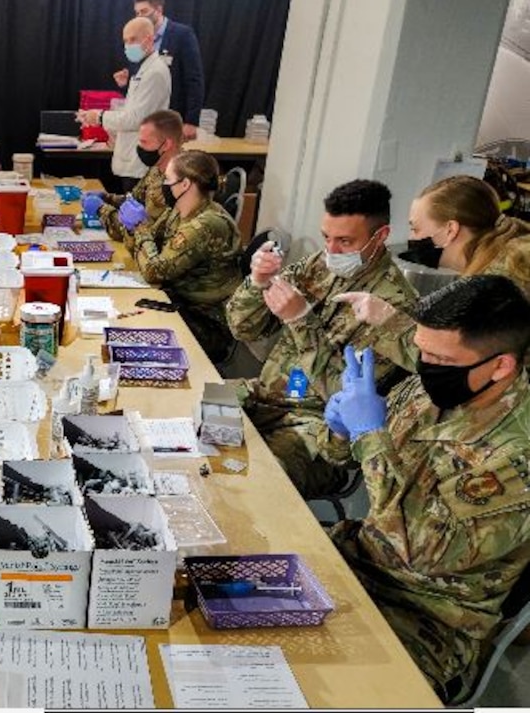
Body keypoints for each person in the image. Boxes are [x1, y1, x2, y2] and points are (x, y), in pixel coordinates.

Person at [322, 276, 530, 703]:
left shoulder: (517, 456)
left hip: (426, 617)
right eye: (421, 350)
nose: (424, 366)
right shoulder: (438, 384)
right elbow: (342, 460)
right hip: (360, 557)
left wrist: (368, 435)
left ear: (501, 366)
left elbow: (418, 552)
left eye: (439, 357)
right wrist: (341, 429)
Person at [225, 179, 417, 499]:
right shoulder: (318, 266)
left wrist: (301, 320)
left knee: (252, 483)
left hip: (319, 430)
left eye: (345, 240)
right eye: (326, 236)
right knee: (190, 414)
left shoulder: (392, 308)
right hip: (268, 395)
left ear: (380, 236)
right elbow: (243, 329)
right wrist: (257, 283)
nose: (331, 250)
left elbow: (344, 397)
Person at [336, 175, 530, 370]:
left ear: (450, 230)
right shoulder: (512, 245)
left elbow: (451, 364)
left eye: (416, 229)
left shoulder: (497, 282)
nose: (412, 238)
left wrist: (386, 319)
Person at [131, 150, 241, 363]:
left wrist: (139, 229)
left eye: (168, 179)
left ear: (185, 184)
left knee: (135, 335)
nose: (164, 184)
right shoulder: (179, 211)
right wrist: (136, 229)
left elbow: (154, 271)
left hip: (205, 321)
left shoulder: (205, 224)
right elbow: (147, 246)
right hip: (180, 301)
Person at [78, 18, 171, 192]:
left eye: (133, 40)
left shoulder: (155, 72)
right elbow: (136, 109)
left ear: (149, 39)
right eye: (126, 41)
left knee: (135, 216)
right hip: (131, 158)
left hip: (140, 163)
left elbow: (137, 119)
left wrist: (99, 116)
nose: (128, 46)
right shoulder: (143, 70)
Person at [114, 0, 205, 141]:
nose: (139, 17)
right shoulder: (138, 39)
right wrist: (126, 84)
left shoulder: (182, 35)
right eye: (137, 13)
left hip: (172, 117)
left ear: (159, 9)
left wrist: (191, 121)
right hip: (144, 121)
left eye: (144, 11)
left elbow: (194, 80)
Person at [81, 109, 183, 246]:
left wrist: (100, 209)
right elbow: (135, 199)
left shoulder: (178, 182)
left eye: (144, 142)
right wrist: (107, 198)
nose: (139, 148)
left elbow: (134, 231)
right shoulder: (157, 169)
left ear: (166, 144)